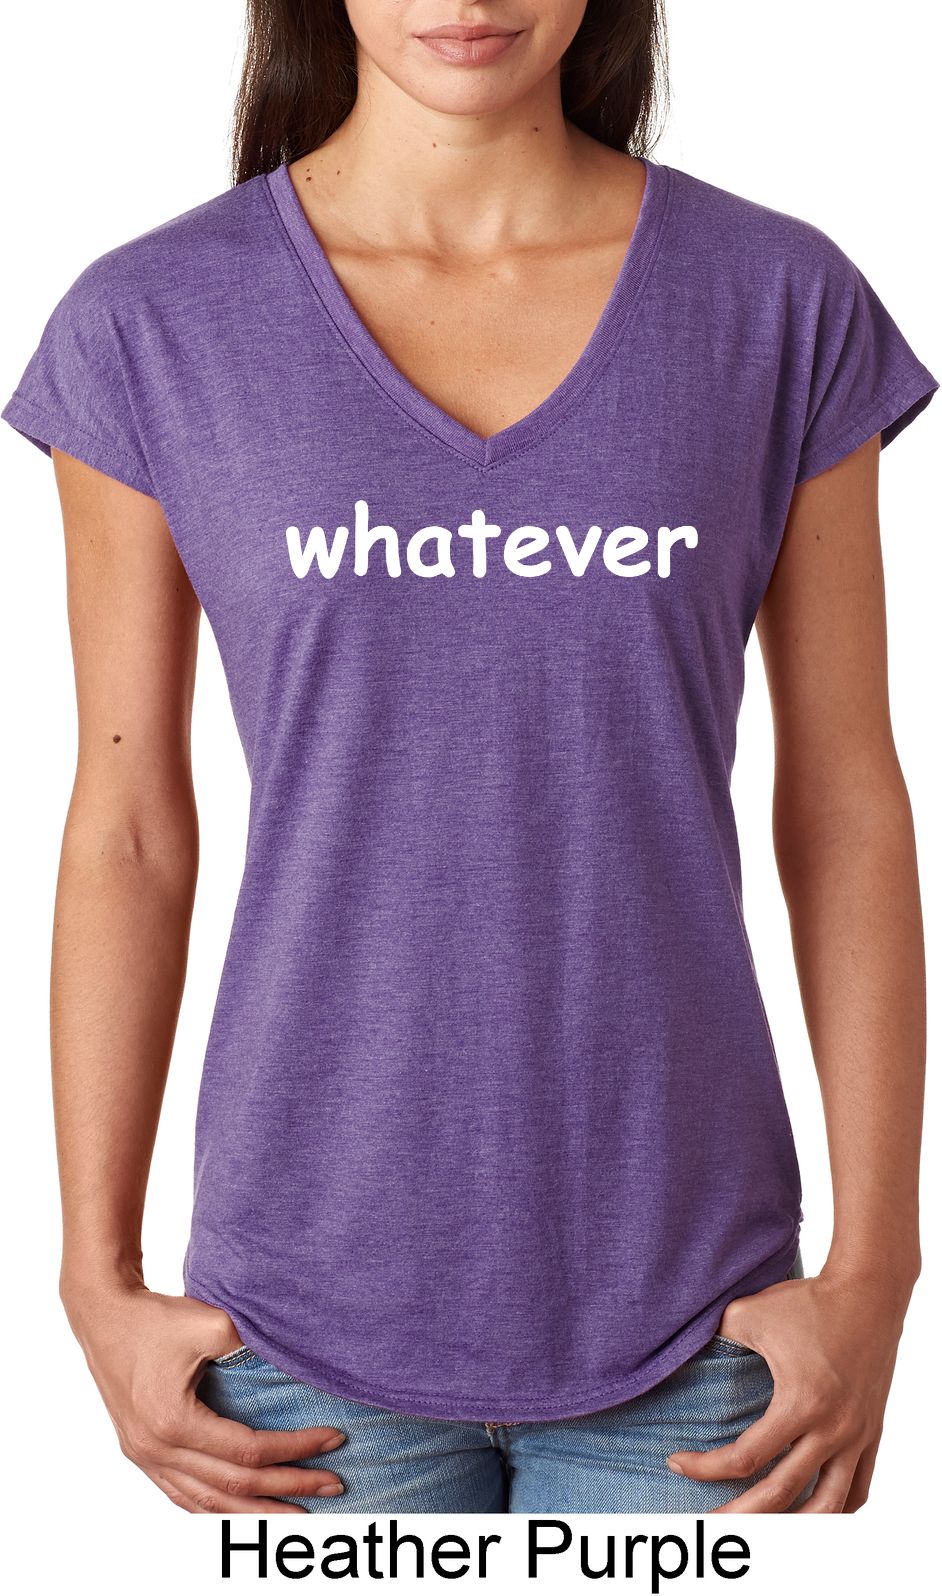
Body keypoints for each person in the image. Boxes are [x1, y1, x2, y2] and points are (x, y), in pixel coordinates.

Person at [3, 0, 936, 1517]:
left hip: (705, 1331)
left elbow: (845, 804)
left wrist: (878, 1269)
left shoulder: (776, 302)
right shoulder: (151, 323)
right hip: (290, 1337)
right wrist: (93, 1279)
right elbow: (128, 826)